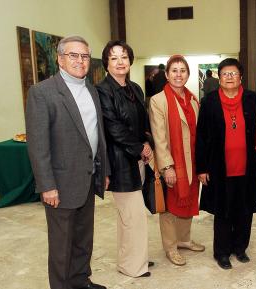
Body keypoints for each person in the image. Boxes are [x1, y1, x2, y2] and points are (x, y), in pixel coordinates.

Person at [26, 36, 110, 289]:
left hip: (87, 178)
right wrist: (47, 186)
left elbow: (96, 135)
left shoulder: (91, 90)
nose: (80, 61)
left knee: (84, 239)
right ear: (60, 59)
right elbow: (38, 145)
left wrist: (102, 170)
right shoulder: (42, 93)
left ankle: (80, 280)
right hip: (60, 186)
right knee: (62, 246)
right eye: (73, 55)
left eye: (84, 56)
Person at [196, 58, 256, 270]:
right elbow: (201, 137)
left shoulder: (253, 99)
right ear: (219, 77)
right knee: (223, 211)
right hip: (219, 167)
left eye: (233, 73)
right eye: (225, 73)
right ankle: (222, 253)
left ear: (241, 76)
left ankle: (240, 248)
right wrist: (202, 167)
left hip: (248, 166)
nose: (229, 77)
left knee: (244, 210)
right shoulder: (209, 102)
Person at [96, 40, 154, 278]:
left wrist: (148, 142)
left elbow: (143, 121)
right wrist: (140, 147)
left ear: (130, 60)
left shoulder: (135, 88)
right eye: (114, 57)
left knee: (129, 218)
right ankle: (133, 266)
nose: (120, 62)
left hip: (138, 157)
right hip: (120, 161)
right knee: (133, 217)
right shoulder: (102, 90)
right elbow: (113, 128)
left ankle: (132, 258)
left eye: (124, 57)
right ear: (106, 63)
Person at [149, 55, 205, 266]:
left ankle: (184, 239)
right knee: (170, 207)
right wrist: (167, 167)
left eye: (183, 71)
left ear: (188, 75)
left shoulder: (193, 99)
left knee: (189, 200)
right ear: (167, 74)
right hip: (173, 162)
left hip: (192, 161)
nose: (178, 74)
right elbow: (159, 137)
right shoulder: (158, 101)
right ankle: (171, 247)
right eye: (174, 70)